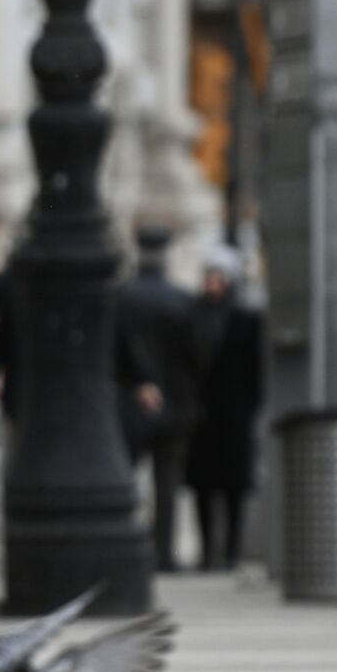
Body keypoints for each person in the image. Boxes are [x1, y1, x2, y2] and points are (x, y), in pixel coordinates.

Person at [114, 226, 199, 572]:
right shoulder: (182, 299)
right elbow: (196, 355)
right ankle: (163, 553)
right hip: (174, 404)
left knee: (126, 477)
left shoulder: (121, 297)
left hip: (128, 402)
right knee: (167, 483)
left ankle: (125, 547)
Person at [185, 244, 263, 571]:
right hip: (202, 414)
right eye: (208, 275)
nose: (211, 282)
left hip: (234, 414)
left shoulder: (246, 319)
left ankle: (231, 551)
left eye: (217, 276)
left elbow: (256, 369)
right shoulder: (193, 314)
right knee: (202, 487)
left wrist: (249, 406)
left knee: (233, 488)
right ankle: (207, 552)